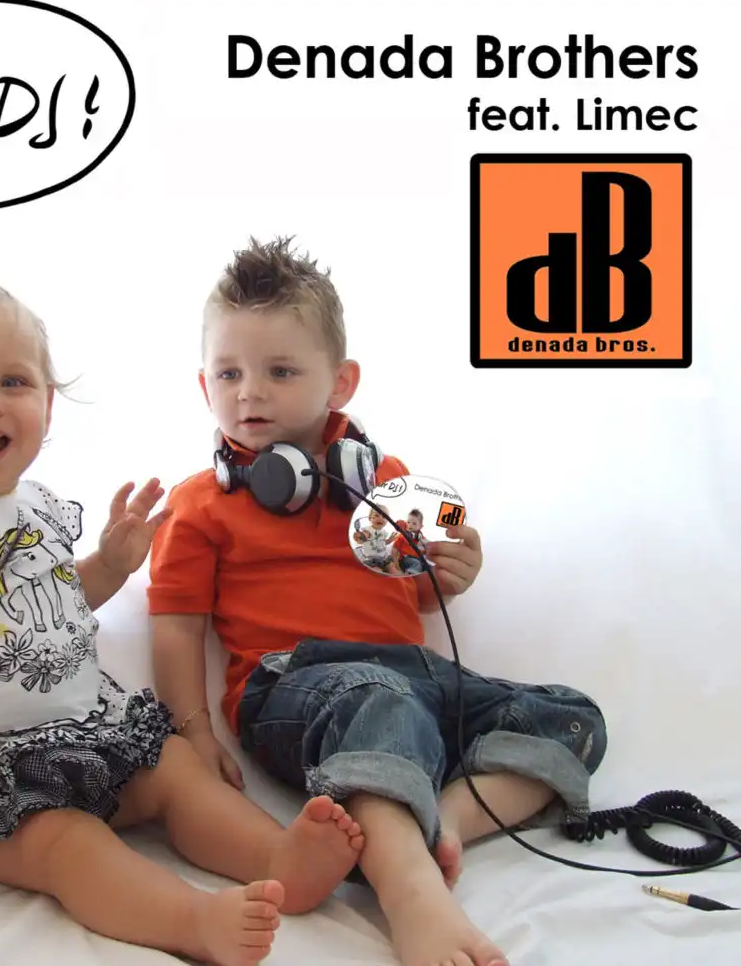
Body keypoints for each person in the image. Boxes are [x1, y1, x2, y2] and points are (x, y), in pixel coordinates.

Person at [0, 279, 366, 966]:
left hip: (81, 738)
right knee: (65, 843)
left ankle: (277, 859)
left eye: (13, 381)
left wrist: (111, 565)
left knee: (177, 772)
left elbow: (59, 599)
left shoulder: (37, 506)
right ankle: (191, 921)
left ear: (46, 404)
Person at [147, 238, 608, 966]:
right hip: (294, 680)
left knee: (572, 719)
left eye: (280, 371)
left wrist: (456, 570)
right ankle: (413, 896)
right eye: (228, 373)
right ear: (205, 387)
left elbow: (423, 592)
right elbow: (176, 626)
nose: (249, 392)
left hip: (412, 676)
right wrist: (193, 730)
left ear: (341, 383)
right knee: (379, 701)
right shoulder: (199, 504)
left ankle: (442, 825)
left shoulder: (388, 477)